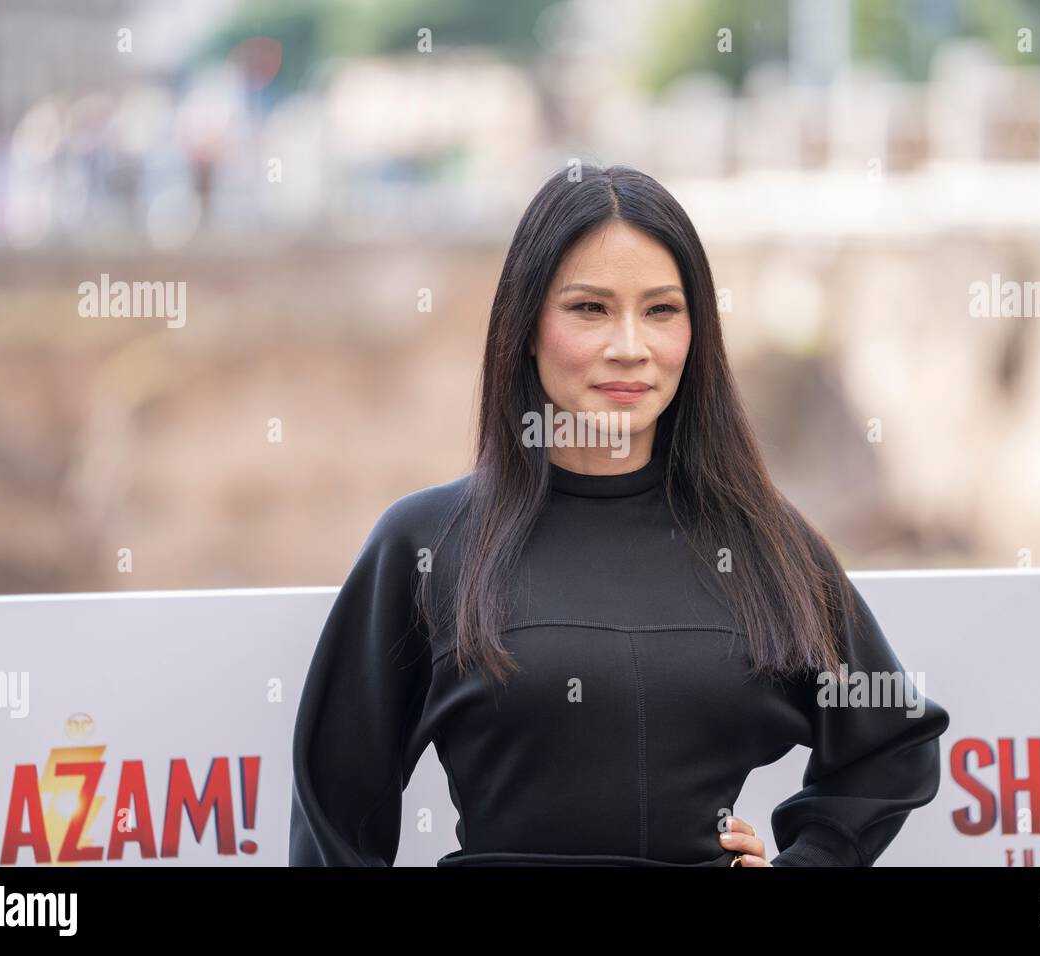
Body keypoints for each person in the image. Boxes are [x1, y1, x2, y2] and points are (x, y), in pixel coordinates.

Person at [289, 162, 950, 867]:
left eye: (662, 310)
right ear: (528, 326)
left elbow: (894, 741)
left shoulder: (761, 542)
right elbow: (333, 810)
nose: (630, 346)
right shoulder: (424, 545)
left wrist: (811, 859)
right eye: (590, 309)